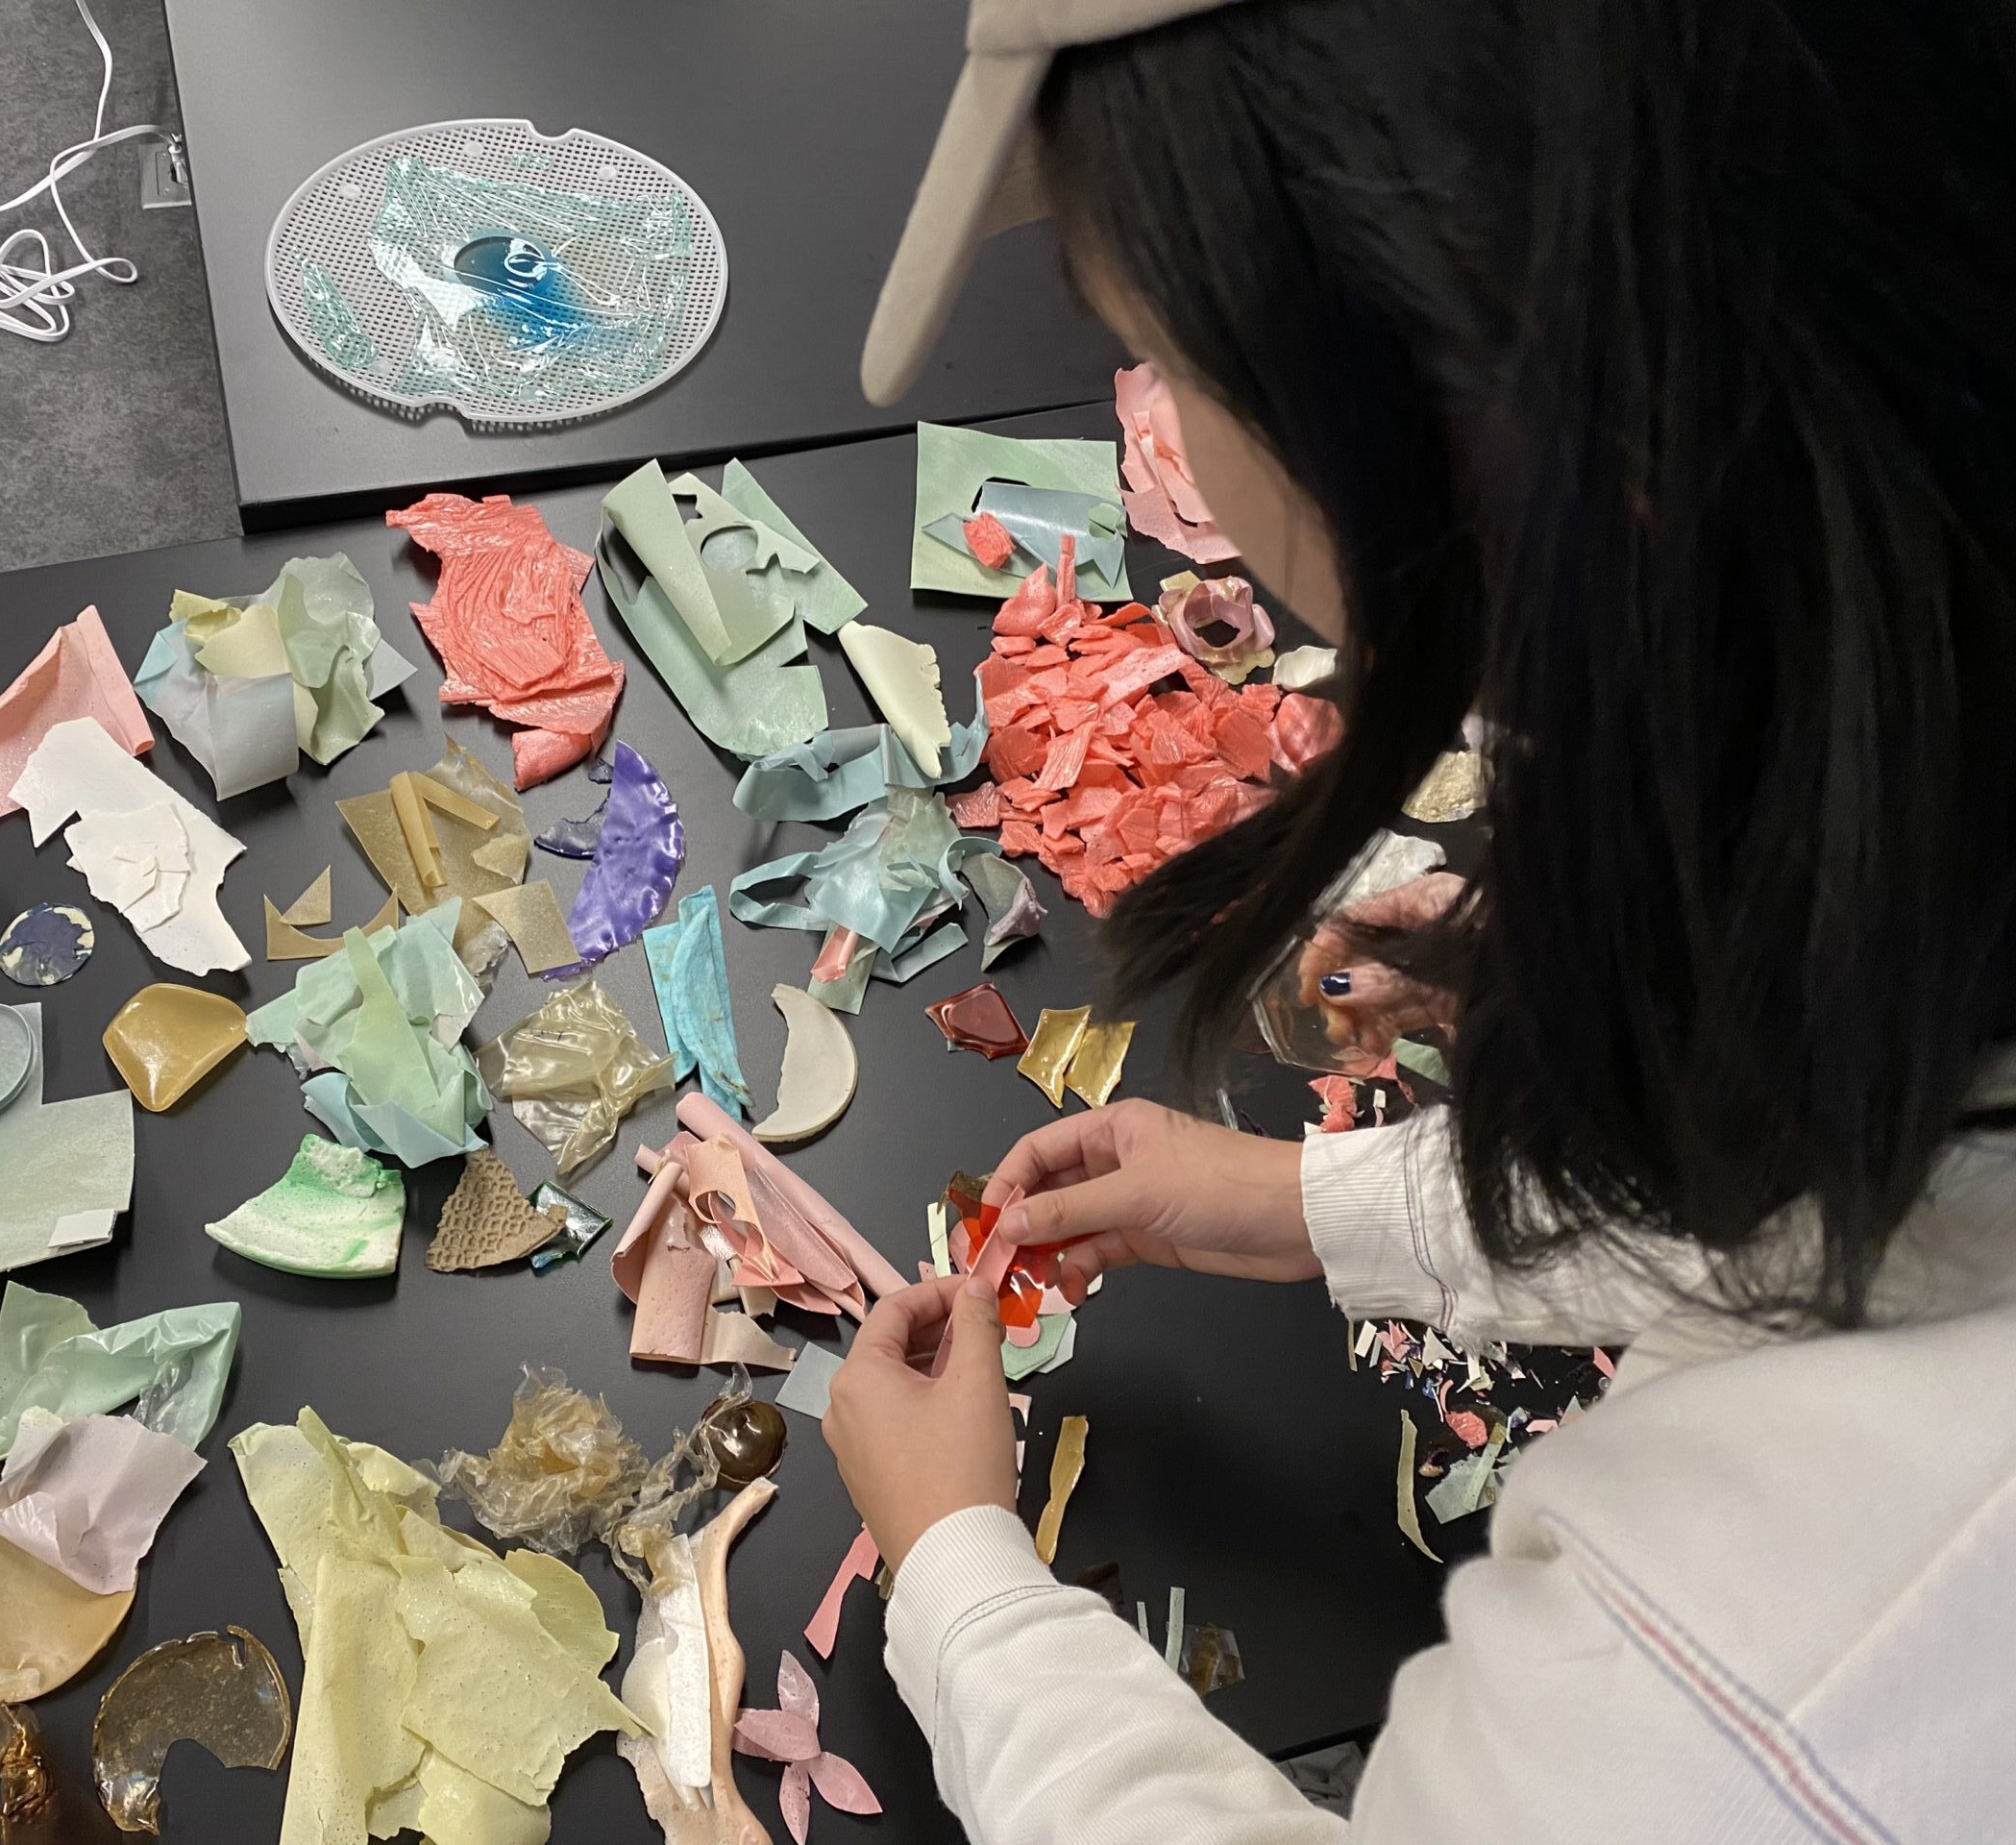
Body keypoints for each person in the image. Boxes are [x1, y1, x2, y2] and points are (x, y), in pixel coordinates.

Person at [823, 0, 2016, 1839]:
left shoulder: (1765, 1678)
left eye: (1163, 363)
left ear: (1455, 386)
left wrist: (965, 1579)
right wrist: (1326, 1202)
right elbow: (1898, 1208)